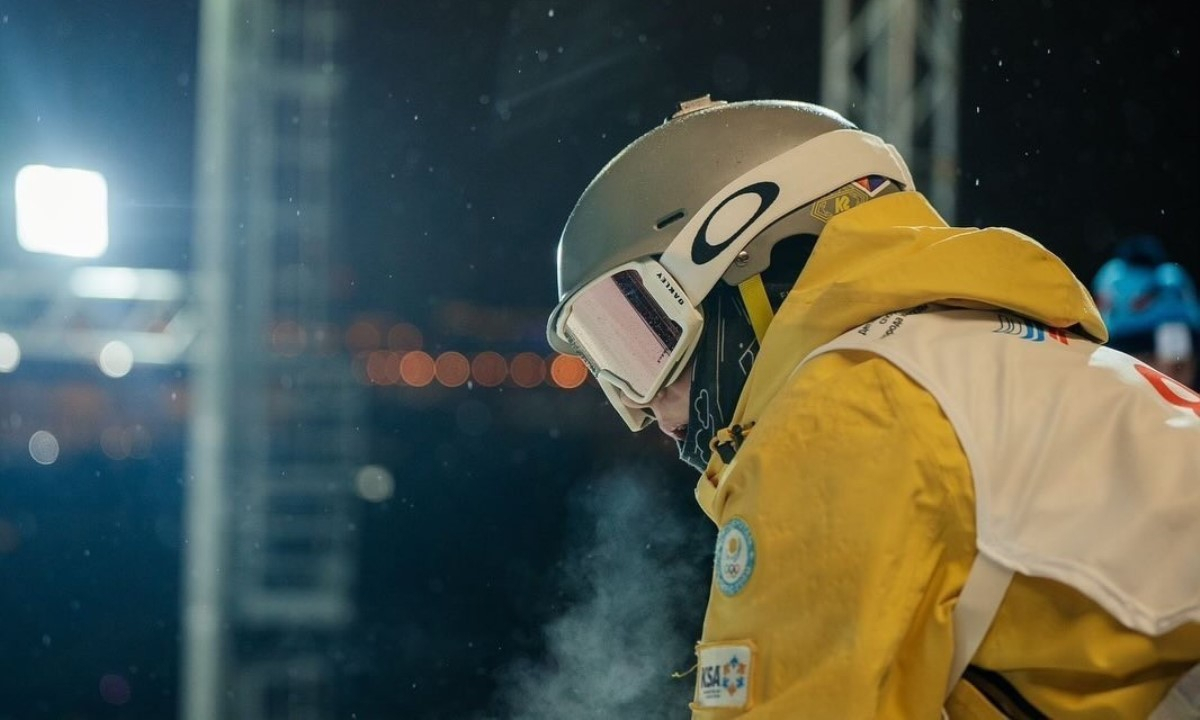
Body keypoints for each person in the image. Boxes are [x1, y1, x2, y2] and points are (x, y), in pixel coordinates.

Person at [545, 96, 1200, 719]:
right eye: (608, 361)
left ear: (740, 253)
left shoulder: (845, 417)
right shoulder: (991, 358)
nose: (642, 406)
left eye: (641, 338)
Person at [1092, 234, 1200, 386]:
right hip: (1136, 341)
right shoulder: (1113, 273)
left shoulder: (1170, 275)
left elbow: (1101, 307)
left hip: (1150, 341)